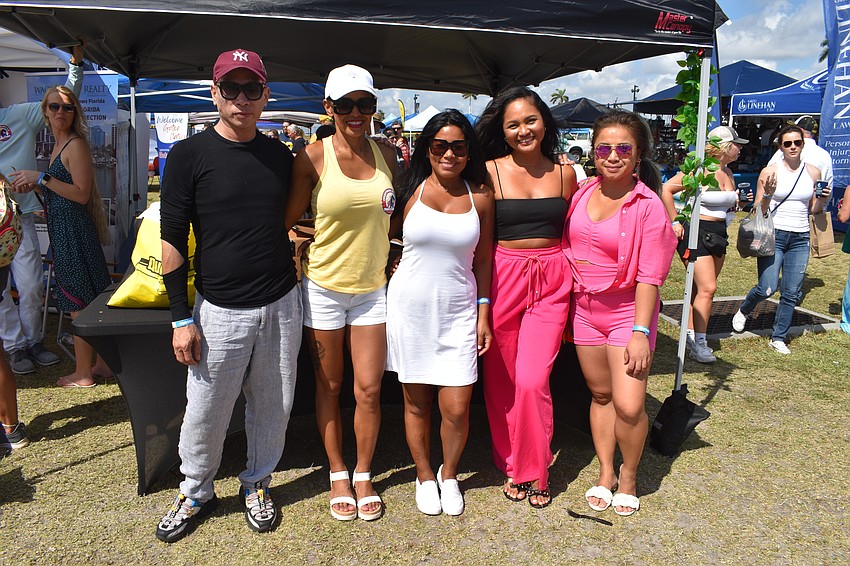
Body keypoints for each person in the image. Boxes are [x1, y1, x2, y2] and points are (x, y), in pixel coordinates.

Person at [154, 48, 301, 542]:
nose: (242, 99)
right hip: (218, 309)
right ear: (214, 92)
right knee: (206, 408)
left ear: (265, 95)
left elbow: (297, 222)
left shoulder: (282, 158)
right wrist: (179, 317)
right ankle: (195, 490)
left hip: (281, 300)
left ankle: (257, 482)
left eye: (252, 88)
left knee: (273, 404)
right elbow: (172, 238)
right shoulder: (188, 156)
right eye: (231, 88)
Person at [286, 64, 398, 522]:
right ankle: (337, 471)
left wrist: (394, 251)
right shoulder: (311, 157)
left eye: (365, 104)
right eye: (346, 104)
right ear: (328, 108)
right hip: (325, 288)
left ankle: (365, 472)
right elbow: (289, 221)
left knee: (369, 389)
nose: (357, 113)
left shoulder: (390, 153)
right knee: (330, 386)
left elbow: (400, 217)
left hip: (373, 289)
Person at [564, 110, 677, 517]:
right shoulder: (580, 192)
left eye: (623, 148)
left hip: (627, 313)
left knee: (630, 405)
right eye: (604, 148)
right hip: (584, 311)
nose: (612, 156)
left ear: (639, 153)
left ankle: (629, 474)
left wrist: (641, 332)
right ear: (593, 152)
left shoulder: (647, 206)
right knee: (600, 395)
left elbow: (650, 277)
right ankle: (606, 470)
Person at [474, 86, 578, 509]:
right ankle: (512, 459)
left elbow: (577, 228)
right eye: (513, 124)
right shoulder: (487, 171)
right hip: (503, 276)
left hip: (552, 279)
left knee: (534, 380)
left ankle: (534, 469)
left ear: (545, 122)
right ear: (502, 130)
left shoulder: (566, 172)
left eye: (530, 120)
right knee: (502, 381)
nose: (523, 130)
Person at [387, 110, 494, 516]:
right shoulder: (408, 188)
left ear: (469, 152)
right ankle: (424, 474)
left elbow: (483, 260)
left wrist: (484, 312)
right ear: (427, 149)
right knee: (416, 404)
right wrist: (390, 260)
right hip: (410, 309)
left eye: (458, 146)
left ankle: (450, 474)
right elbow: (385, 235)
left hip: (459, 311)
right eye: (440, 145)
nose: (449, 153)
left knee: (456, 407)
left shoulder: (480, 196)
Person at [10, 86, 112, 389]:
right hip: (65, 229)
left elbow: (81, 195)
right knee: (89, 299)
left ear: (75, 112)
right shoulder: (60, 145)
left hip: (74, 233)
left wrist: (42, 178)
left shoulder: (75, 145)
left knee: (79, 301)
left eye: (67, 108)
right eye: (54, 107)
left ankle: (83, 374)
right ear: (45, 112)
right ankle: (102, 365)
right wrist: (40, 188)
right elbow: (64, 189)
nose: (60, 113)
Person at [0, 44, 84, 376]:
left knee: (32, 284)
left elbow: (65, 97)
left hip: (18, 218)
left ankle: (34, 341)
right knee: (0, 292)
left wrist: (76, 64)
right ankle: (14, 345)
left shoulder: (17, 115)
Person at [732, 124, 827, 354]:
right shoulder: (770, 171)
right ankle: (744, 310)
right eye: (788, 143)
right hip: (774, 235)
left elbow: (814, 209)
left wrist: (823, 199)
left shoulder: (813, 172)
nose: (793, 147)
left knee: (791, 291)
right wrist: (767, 195)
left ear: (803, 145)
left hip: (801, 236)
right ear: (780, 146)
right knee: (767, 287)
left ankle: (778, 336)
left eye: (797, 143)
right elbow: (758, 208)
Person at [661, 125, 750, 364]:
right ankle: (700, 342)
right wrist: (674, 220)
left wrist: (740, 205)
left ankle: (691, 337)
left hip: (719, 234)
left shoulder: (729, 173)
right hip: (696, 232)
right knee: (708, 288)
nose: (740, 149)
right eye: (736, 144)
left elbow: (727, 207)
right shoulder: (701, 170)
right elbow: (666, 188)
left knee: (702, 291)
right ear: (723, 147)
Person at [768, 116, 833, 189]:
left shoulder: (785, 149)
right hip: (817, 199)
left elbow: (769, 175)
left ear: (800, 131)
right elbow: (828, 186)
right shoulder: (825, 155)